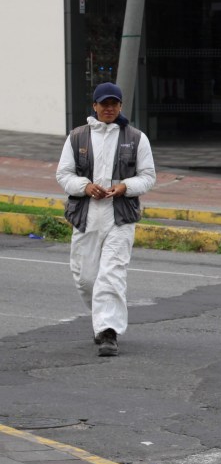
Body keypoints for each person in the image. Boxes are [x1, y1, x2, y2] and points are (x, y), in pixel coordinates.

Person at [55, 82, 157, 357]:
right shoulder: (77, 137)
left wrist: (125, 186)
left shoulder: (136, 138)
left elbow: (148, 177)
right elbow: (63, 174)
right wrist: (84, 186)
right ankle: (102, 318)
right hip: (86, 216)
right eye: (104, 104)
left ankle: (108, 332)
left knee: (111, 275)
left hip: (120, 217)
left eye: (114, 104)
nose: (109, 108)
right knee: (86, 279)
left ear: (121, 106)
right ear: (95, 106)